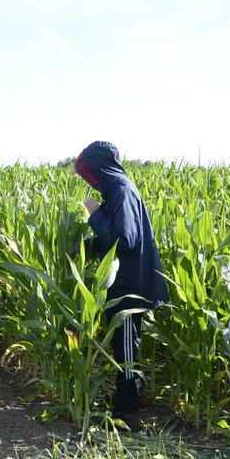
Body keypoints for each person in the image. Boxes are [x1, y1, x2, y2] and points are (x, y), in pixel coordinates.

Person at [71, 141, 167, 428]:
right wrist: (86, 247)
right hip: (125, 282)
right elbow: (115, 239)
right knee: (124, 346)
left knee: (126, 348)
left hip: (128, 287)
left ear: (100, 167)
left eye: (89, 171)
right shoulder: (117, 191)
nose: (89, 178)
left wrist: (95, 215)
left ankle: (126, 413)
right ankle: (127, 403)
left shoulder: (122, 192)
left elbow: (125, 240)